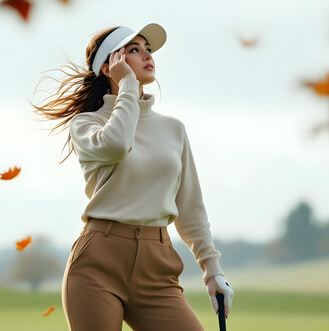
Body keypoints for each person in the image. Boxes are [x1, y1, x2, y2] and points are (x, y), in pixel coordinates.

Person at [31, 22, 234, 330]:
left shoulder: (173, 129)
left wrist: (213, 271)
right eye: (133, 50)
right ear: (107, 67)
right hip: (98, 263)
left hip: (157, 268)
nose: (146, 55)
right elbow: (116, 144)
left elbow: (190, 207)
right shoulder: (86, 124)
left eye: (147, 49)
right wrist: (126, 87)